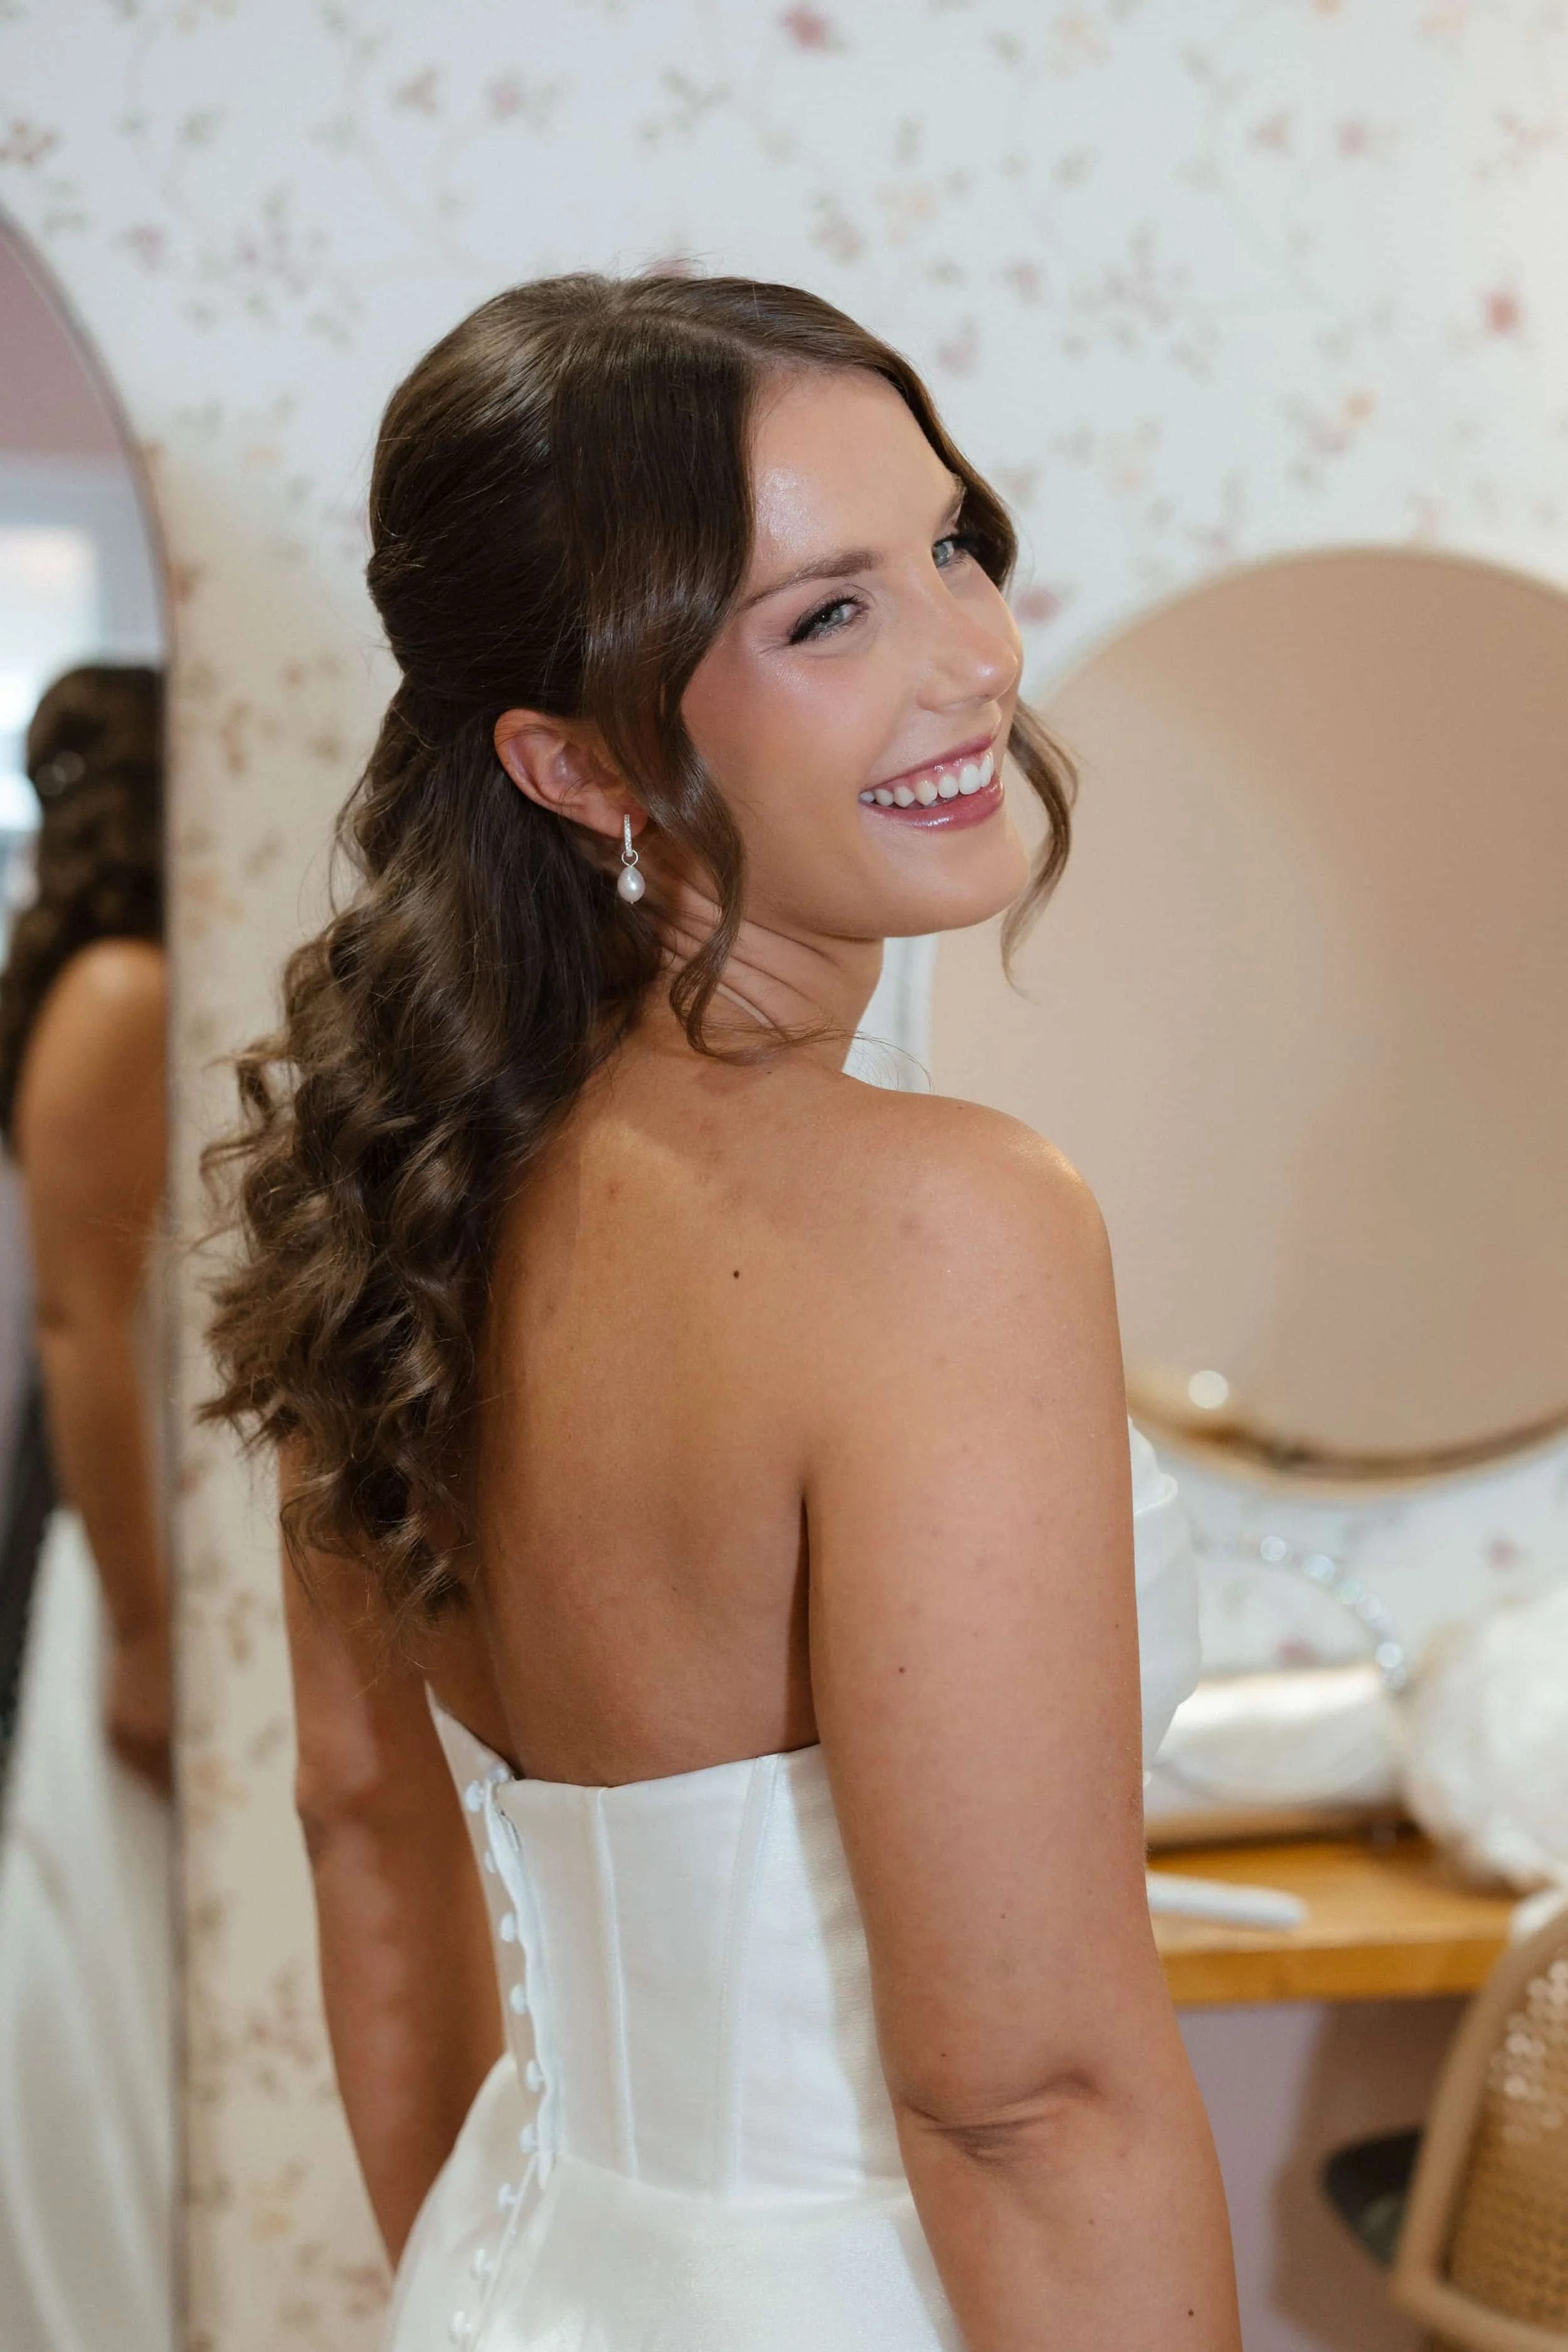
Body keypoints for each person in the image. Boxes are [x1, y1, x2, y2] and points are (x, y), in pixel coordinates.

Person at [207, 275, 1239, 2351]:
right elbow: (1024, 2098)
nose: (969, 656)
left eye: (950, 544)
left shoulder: (401, 1179)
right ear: (574, 760)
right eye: (824, 615)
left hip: (515, 2278)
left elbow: (367, 1842)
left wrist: (538, 2278)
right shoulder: (945, 1222)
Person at [0, 663, 172, 2351]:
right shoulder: (124, 988)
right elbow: (81, 1325)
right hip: (117, 1544)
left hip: (139, 1535)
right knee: (99, 1951)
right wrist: (142, 1627)